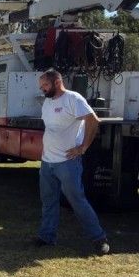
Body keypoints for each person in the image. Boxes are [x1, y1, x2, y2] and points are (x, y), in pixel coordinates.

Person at [35, 68, 110, 255]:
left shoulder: (73, 99)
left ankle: (99, 238)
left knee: (77, 200)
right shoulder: (47, 103)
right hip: (47, 162)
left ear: (57, 82)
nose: (42, 89)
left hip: (67, 163)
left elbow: (93, 120)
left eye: (45, 85)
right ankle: (47, 236)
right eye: (41, 86)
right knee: (48, 201)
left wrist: (82, 147)